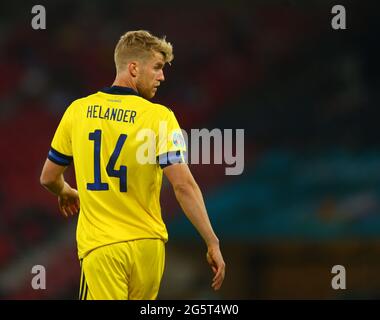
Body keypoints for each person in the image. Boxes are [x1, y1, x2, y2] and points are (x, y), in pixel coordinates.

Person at [40, 30, 225, 300]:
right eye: (158, 68)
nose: (162, 76)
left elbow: (48, 177)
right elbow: (183, 184)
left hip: (103, 249)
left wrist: (64, 191)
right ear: (134, 68)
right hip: (148, 249)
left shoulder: (78, 111)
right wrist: (212, 241)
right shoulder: (160, 117)